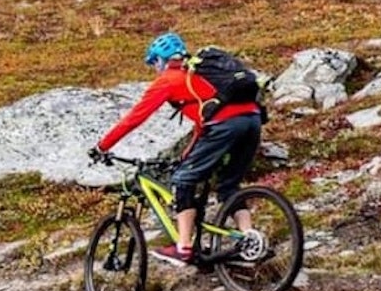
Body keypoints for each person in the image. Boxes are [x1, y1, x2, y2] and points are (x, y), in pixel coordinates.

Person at [89, 32, 263, 267]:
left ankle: (184, 247)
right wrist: (187, 153)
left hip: (225, 125)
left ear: (160, 60)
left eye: (153, 63)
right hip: (252, 119)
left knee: (182, 180)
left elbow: (134, 118)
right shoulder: (198, 75)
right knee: (228, 186)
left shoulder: (169, 80)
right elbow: (204, 123)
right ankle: (249, 239)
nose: (154, 68)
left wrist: (102, 146)